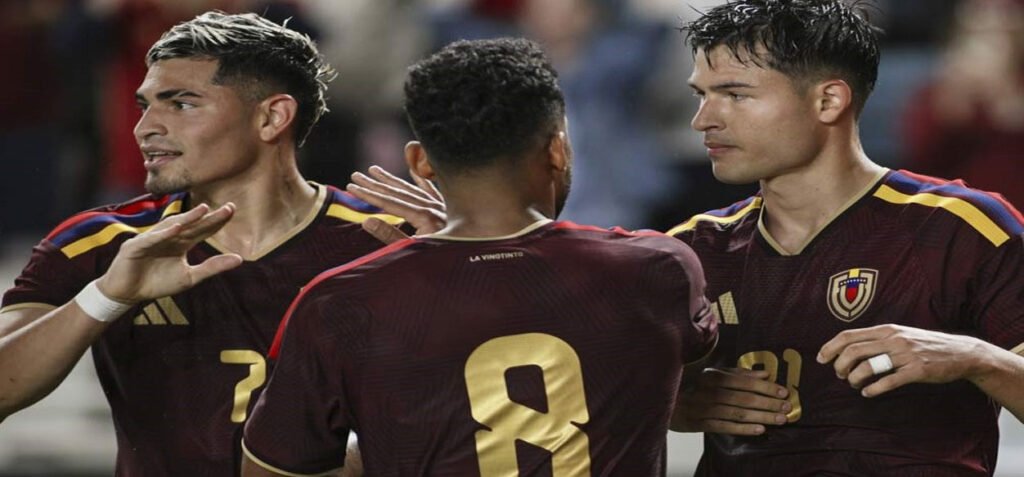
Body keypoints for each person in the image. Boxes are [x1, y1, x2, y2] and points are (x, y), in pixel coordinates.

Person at [239, 37, 718, 476]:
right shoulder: (660, 268)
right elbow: (679, 385)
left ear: (419, 161)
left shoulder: (339, 303)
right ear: (557, 149)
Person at [0, 11, 402, 476]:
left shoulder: (385, 240)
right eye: (144, 106)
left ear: (272, 116)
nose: (145, 128)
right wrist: (106, 297)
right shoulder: (103, 242)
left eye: (181, 104)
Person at [665, 0, 1024, 475]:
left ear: (829, 101)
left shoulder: (962, 228)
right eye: (701, 95)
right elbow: (606, 396)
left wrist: (975, 358)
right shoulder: (689, 250)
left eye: (735, 94)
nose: (704, 120)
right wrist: (678, 405)